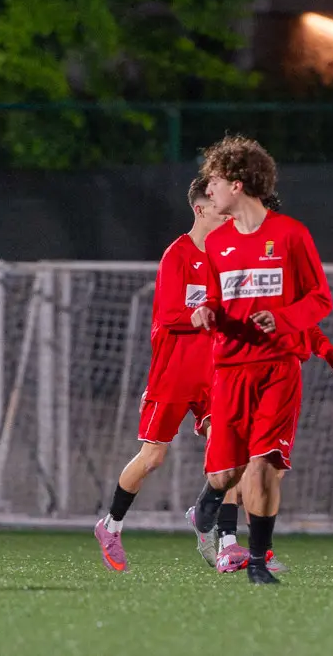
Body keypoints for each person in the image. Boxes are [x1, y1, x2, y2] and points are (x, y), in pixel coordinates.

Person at [189, 135, 333, 585]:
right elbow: (214, 299)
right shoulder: (216, 244)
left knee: (264, 463)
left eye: (213, 182)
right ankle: (209, 499)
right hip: (229, 368)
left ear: (237, 183)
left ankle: (256, 562)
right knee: (227, 471)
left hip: (279, 366)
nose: (207, 191)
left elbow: (320, 299)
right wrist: (206, 312)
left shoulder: (291, 235)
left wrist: (286, 319)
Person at [94, 176, 227, 572]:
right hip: (173, 374)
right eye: (221, 209)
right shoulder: (178, 255)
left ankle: (212, 524)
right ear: (200, 209)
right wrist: (201, 314)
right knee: (152, 458)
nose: (228, 216)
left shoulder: (227, 257)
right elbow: (168, 315)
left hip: (213, 374)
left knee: (230, 454)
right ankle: (111, 526)